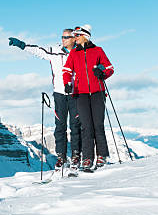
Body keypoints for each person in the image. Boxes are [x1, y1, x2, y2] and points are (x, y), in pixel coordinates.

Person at [9, 29, 81, 171]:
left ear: (74, 39)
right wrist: (22, 45)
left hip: (76, 94)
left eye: (66, 37)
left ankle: (76, 156)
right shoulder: (54, 51)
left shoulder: (80, 52)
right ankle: (61, 157)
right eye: (62, 37)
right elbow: (38, 50)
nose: (63, 39)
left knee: (75, 126)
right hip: (59, 94)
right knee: (60, 126)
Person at [63, 24, 114, 171]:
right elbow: (66, 70)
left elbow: (110, 68)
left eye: (77, 35)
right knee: (86, 126)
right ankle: (87, 158)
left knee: (98, 124)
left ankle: (102, 156)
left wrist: (102, 74)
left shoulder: (97, 51)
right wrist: (67, 83)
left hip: (97, 92)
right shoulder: (74, 53)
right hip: (80, 93)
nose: (75, 38)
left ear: (85, 35)